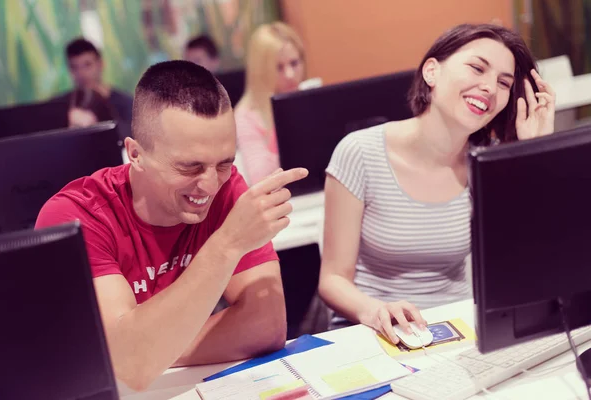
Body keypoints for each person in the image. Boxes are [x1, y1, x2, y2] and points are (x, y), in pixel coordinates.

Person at [36, 60, 308, 391]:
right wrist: (227, 244)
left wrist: (151, 350)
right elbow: (132, 366)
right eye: (189, 167)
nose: (209, 185)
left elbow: (267, 326)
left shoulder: (226, 189)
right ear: (135, 154)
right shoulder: (76, 216)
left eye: (224, 163)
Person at [318, 24, 556, 344]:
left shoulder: (486, 163)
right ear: (432, 71)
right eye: (476, 68)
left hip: (456, 330)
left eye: (503, 83)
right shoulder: (360, 151)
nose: (489, 87)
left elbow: (525, 266)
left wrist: (531, 156)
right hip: (370, 330)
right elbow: (332, 279)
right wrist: (376, 311)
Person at [235, 22, 306, 185]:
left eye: (294, 63)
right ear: (261, 70)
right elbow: (260, 178)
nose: (289, 74)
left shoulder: (309, 98)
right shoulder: (245, 116)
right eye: (278, 67)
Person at [54, 38, 133, 139]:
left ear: (100, 64)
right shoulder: (61, 105)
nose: (81, 73)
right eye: (74, 67)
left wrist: (96, 124)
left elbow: (133, 136)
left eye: (87, 65)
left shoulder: (127, 103)